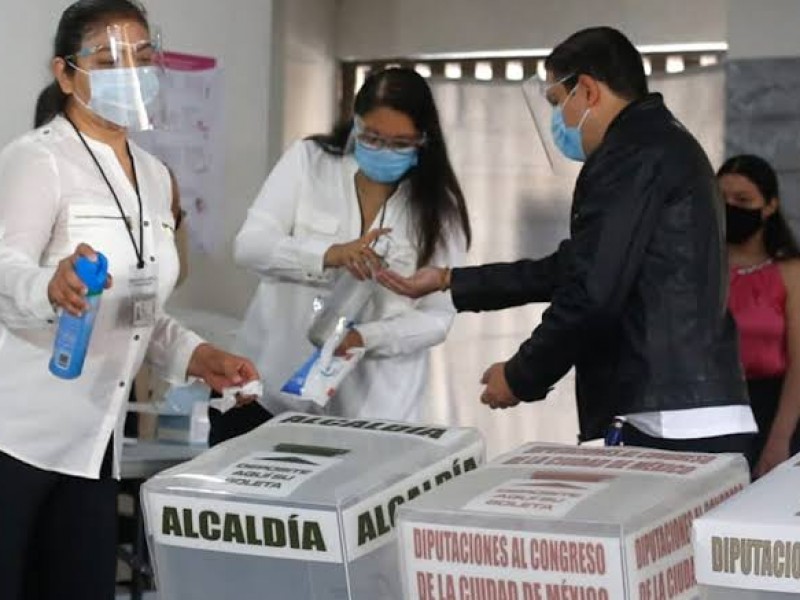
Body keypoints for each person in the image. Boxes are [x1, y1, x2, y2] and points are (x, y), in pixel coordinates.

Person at [379, 27, 756, 454]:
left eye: (557, 103)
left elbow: (591, 293)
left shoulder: (628, 155)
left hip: (664, 417)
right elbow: (572, 267)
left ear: (589, 91)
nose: (557, 120)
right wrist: (451, 280)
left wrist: (522, 375)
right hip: (688, 404)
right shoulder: (662, 145)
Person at [0, 2, 259, 598]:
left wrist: (195, 356)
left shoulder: (153, 174)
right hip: (16, 443)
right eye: (109, 59)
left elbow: (141, 305)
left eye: (142, 57)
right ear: (65, 74)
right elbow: (7, 271)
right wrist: (48, 285)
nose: (131, 71)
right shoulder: (38, 159)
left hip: (93, 447)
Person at [211, 67, 471, 445]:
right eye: (373, 137)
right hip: (268, 396)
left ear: (424, 141)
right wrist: (329, 255)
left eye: (401, 143)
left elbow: (437, 319)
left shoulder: (437, 209)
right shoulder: (310, 162)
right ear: (355, 122)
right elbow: (250, 246)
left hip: (376, 415)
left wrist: (367, 337)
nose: (384, 150)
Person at [719, 155, 800, 475]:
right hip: (708, 407)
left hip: (773, 408)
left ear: (769, 206)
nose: (730, 207)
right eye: (722, 199)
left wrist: (779, 438)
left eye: (743, 200)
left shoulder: (790, 273)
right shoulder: (697, 269)